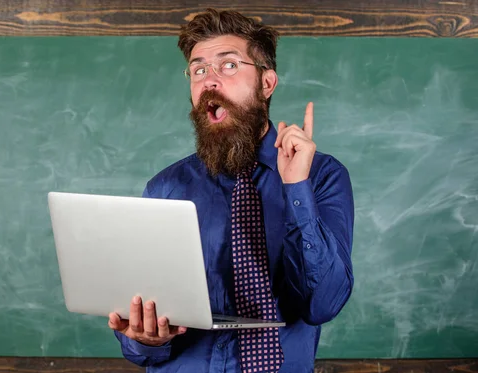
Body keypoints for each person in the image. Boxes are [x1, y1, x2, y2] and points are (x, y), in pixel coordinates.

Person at [108, 8, 354, 373]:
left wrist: (296, 188)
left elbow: (323, 304)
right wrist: (143, 338)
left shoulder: (322, 177)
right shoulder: (166, 188)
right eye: (198, 69)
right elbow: (139, 345)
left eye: (228, 66)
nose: (209, 81)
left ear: (267, 84)